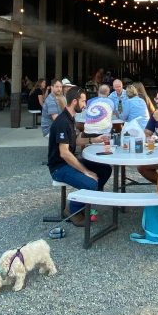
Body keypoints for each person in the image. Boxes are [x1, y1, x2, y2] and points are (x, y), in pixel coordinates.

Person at [47, 86, 110, 225]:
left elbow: (74, 141)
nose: (85, 105)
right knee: (92, 183)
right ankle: (72, 210)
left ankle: (88, 200)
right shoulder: (62, 122)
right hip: (59, 168)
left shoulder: (70, 118)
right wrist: (86, 171)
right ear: (75, 101)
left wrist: (94, 140)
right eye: (83, 101)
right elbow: (64, 153)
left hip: (67, 162)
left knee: (105, 169)